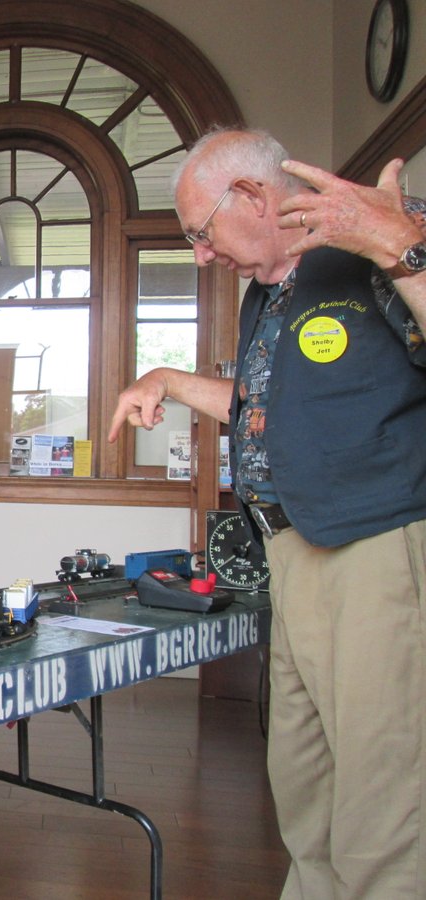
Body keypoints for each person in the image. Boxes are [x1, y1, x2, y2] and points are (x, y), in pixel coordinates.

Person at [109, 127, 426, 898]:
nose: (201, 255)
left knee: (382, 791)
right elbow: (266, 410)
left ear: (250, 196)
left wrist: (401, 249)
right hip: (293, 553)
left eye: (200, 232)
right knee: (304, 777)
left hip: (374, 548)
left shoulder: (381, 241)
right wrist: (168, 379)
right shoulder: (268, 293)